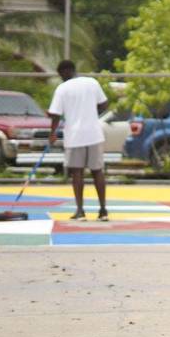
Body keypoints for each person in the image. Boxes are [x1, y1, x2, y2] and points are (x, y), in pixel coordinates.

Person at [47, 60, 109, 221]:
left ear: (65, 72)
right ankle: (103, 211)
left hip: (75, 136)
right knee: (97, 171)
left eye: (61, 74)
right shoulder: (92, 82)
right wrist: (91, 114)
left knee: (77, 172)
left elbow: (55, 114)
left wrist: (52, 133)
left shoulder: (62, 89)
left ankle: (80, 211)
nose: (60, 78)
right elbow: (104, 104)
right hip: (94, 134)